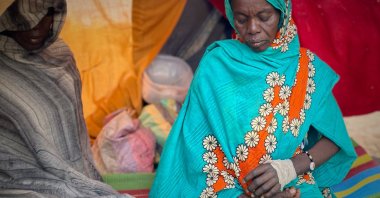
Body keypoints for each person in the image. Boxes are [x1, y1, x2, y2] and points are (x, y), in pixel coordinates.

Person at [150, 0, 357, 197]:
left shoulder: (306, 70)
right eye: (241, 19)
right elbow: (193, 146)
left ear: (282, 13)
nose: (253, 28)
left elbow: (335, 138)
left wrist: (288, 169)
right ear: (231, 16)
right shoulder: (217, 64)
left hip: (290, 181)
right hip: (223, 186)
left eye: (264, 17)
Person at [0, 0, 129, 197]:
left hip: (78, 171)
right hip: (17, 177)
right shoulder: (4, 68)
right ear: (8, 17)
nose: (37, 27)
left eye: (47, 15)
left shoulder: (61, 56)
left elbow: (75, 128)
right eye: (24, 19)